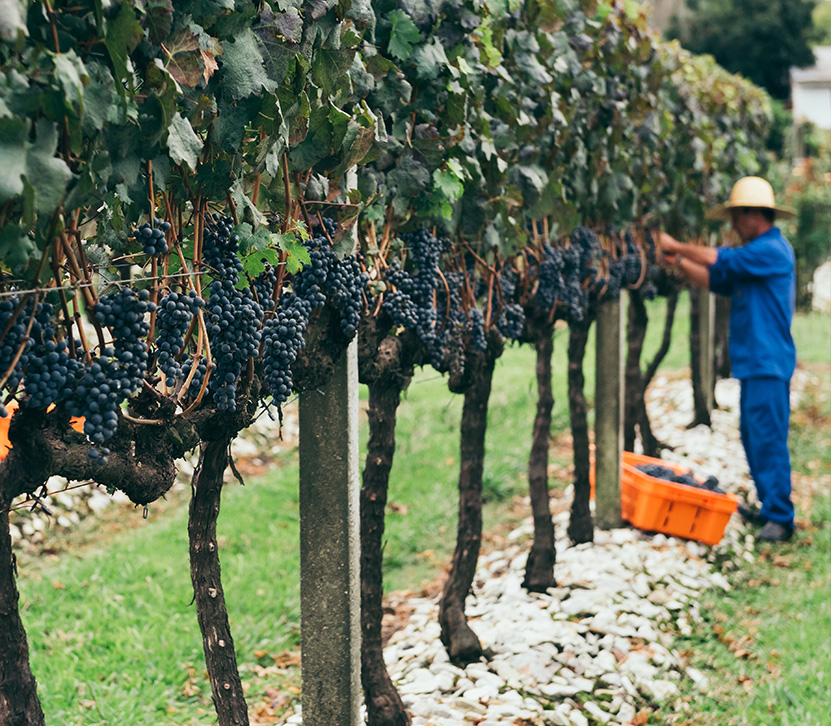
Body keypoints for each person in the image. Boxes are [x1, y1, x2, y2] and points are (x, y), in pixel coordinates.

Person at [658, 176, 797, 543]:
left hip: (768, 363)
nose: (733, 225)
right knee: (754, 437)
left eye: (736, 216)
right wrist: (677, 262)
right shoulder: (753, 257)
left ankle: (781, 519)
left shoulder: (771, 250)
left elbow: (720, 258)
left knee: (767, 438)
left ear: (755, 215)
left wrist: (676, 244)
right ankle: (770, 507)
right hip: (756, 362)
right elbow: (717, 279)